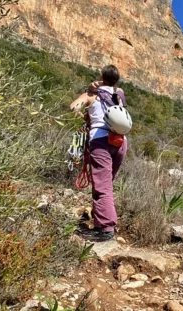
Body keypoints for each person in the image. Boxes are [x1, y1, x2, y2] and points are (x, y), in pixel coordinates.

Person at [70, 64, 128, 242]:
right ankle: (101, 215)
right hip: (120, 141)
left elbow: (73, 107)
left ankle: (105, 228)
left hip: (100, 140)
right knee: (107, 182)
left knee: (102, 185)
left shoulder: (91, 95)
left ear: (101, 76)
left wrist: (87, 93)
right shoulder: (119, 93)